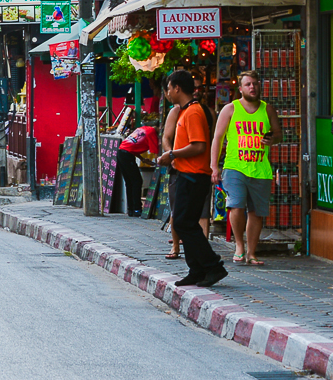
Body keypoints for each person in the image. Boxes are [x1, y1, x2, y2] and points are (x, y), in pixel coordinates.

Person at [154, 71, 225, 288]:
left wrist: (172, 155)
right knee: (186, 223)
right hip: (187, 174)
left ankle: (213, 266)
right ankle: (196, 270)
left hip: (194, 176)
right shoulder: (184, 112)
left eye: (168, 88)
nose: (167, 93)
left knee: (184, 223)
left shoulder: (193, 112)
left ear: (176, 88)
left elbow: (199, 145)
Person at [212, 70, 276, 266]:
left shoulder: (267, 109)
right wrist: (214, 167)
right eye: (248, 84)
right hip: (235, 166)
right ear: (240, 89)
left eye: (255, 84)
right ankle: (239, 245)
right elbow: (218, 138)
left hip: (261, 168)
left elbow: (279, 134)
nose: (252, 87)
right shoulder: (230, 109)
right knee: (236, 206)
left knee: (257, 212)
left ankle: (252, 252)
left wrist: (272, 138)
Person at [112, 115, 158, 216]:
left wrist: (142, 159)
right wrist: (158, 164)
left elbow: (132, 145)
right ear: (157, 127)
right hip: (127, 155)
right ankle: (137, 208)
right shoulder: (152, 132)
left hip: (121, 152)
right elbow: (155, 153)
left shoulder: (141, 129)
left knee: (130, 182)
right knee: (137, 181)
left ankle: (131, 209)